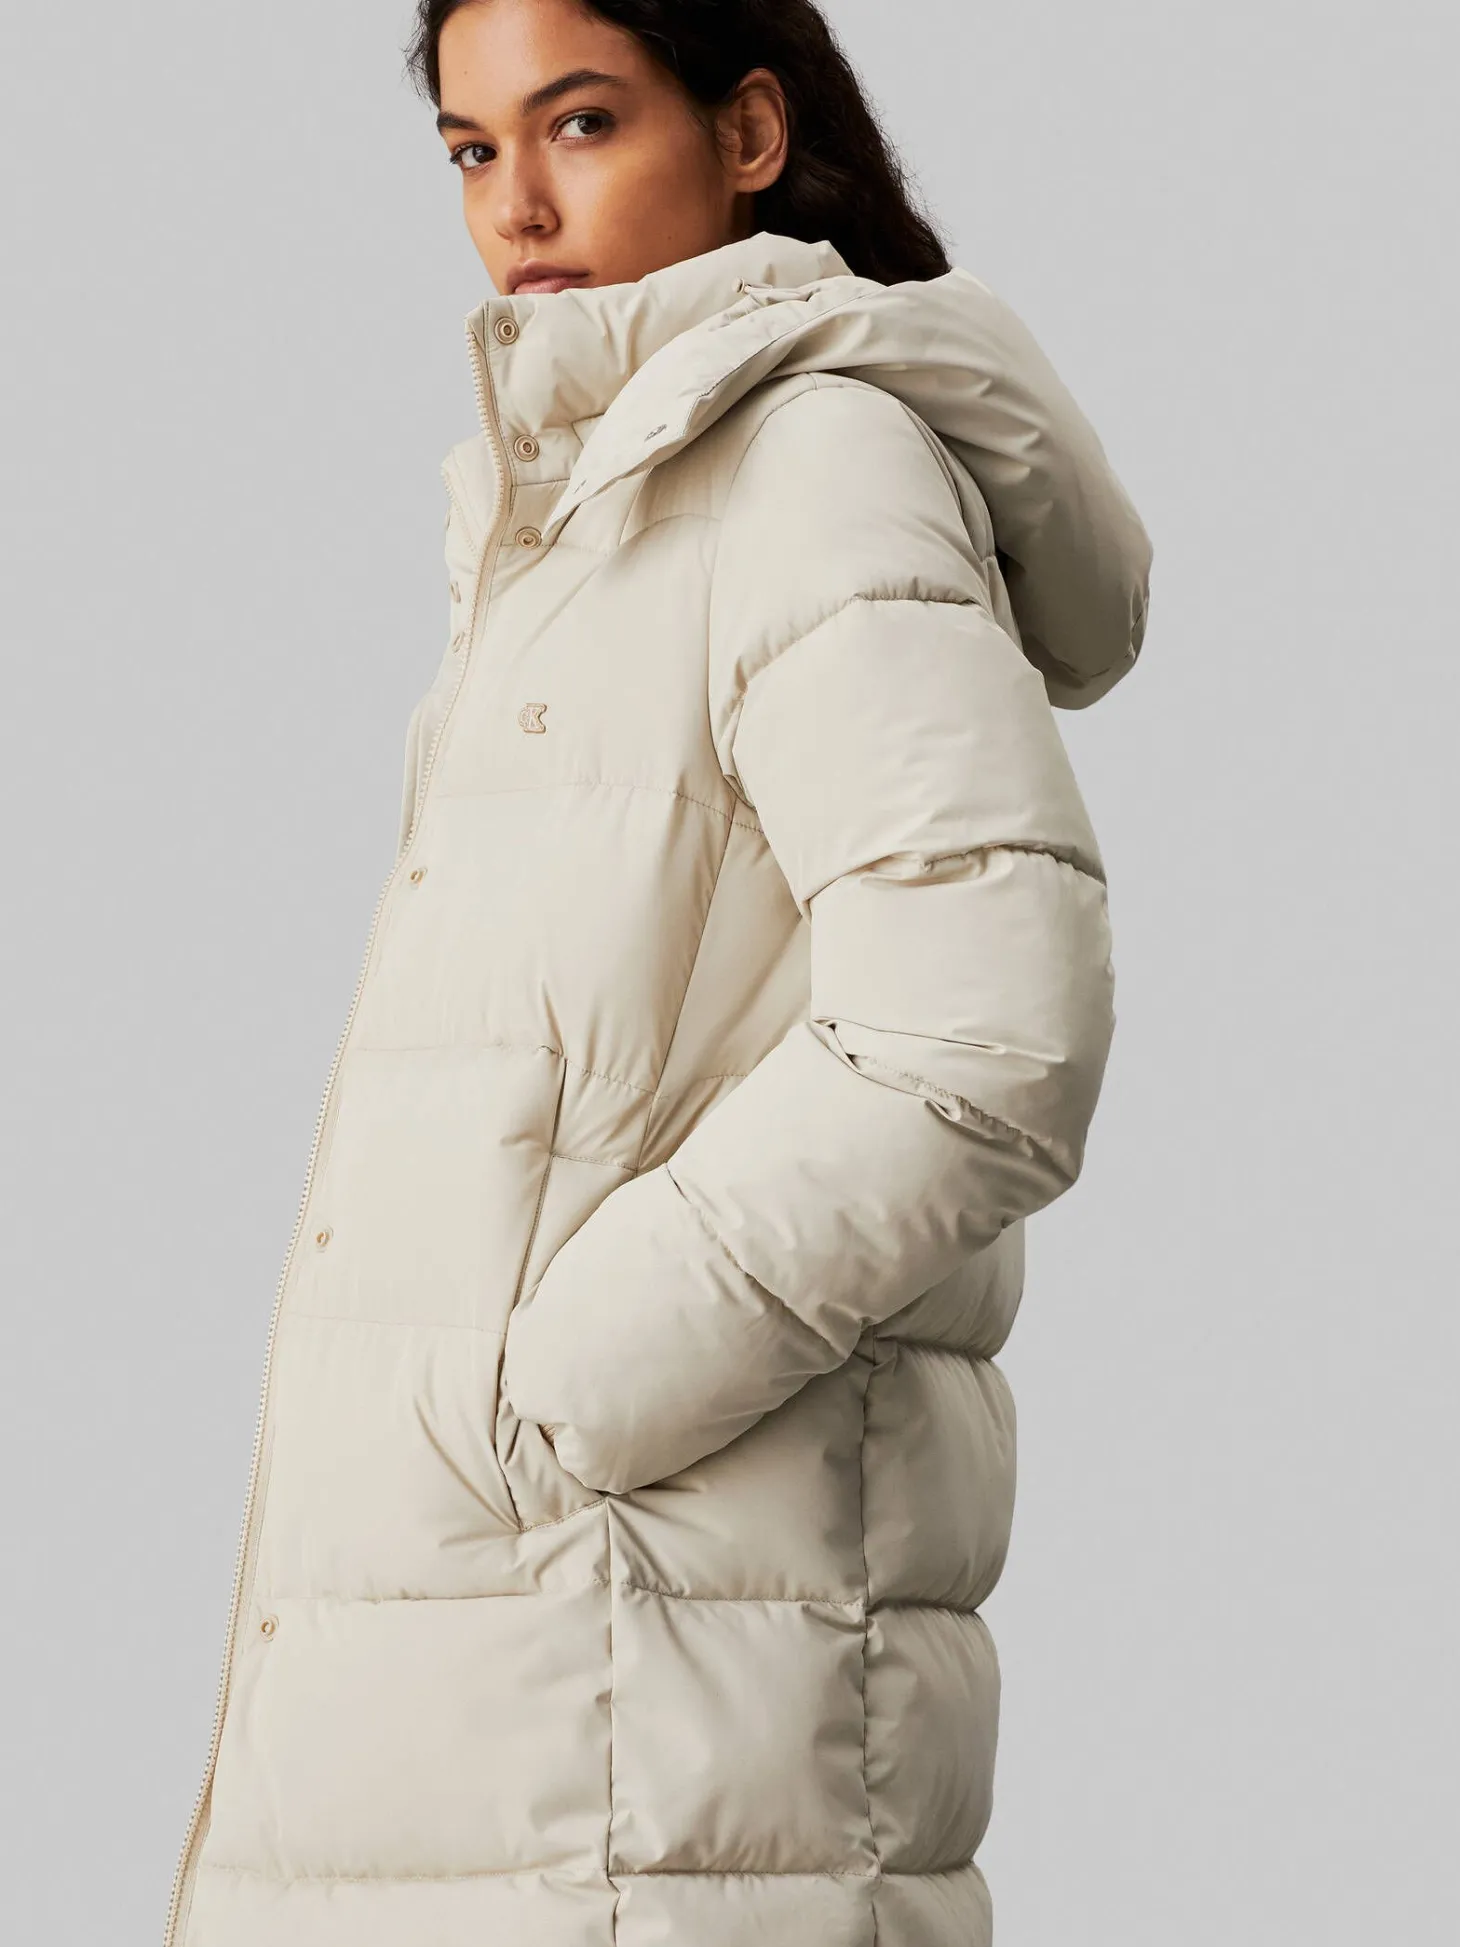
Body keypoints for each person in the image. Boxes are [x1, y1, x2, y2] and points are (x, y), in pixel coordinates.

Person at [163, 2, 1152, 1942]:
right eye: (471, 150)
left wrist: (563, 1394)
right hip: (520, 1664)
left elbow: (985, 1029)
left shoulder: (810, 467)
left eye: (583, 123)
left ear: (750, 132)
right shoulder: (596, 508)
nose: (516, 207)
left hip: (643, 1695)